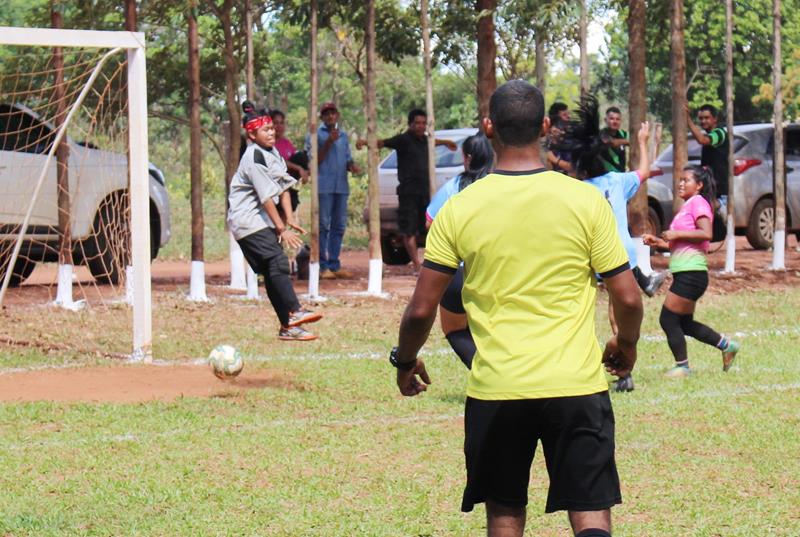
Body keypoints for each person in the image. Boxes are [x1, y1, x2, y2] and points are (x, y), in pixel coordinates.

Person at [390, 80, 643, 537]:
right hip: (576, 385)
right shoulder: (586, 201)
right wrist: (625, 345)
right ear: (545, 127)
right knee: (590, 513)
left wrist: (405, 361)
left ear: (488, 127)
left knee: (504, 513)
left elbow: (421, 310)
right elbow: (627, 296)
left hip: (497, 389)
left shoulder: (460, 207)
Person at [570, 97, 668, 393]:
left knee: (585, 313)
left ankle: (586, 367)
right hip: (624, 253)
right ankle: (644, 277)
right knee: (618, 313)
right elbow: (645, 171)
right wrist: (643, 141)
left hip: (596, 257)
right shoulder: (617, 180)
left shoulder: (577, 189)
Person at [228, 104, 322, 341]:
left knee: (273, 270)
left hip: (257, 219)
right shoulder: (254, 157)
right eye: (265, 130)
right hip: (246, 220)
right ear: (251, 135)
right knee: (277, 261)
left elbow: (283, 188)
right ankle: (294, 311)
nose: (271, 133)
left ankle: (288, 327)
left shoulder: (273, 152)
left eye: (272, 128)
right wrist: (281, 228)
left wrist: (289, 219)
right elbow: (266, 197)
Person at [643, 165, 740, 378]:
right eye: (680, 179)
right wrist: (658, 241)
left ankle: (683, 367)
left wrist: (676, 233)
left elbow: (706, 233)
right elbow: (680, 244)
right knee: (684, 323)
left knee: (668, 319)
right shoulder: (688, 205)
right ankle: (727, 345)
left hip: (691, 273)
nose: (680, 183)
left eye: (686, 180)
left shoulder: (698, 202)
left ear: (699, 185)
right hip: (687, 272)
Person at [423, 133, 494, 369]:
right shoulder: (498, 185)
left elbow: (429, 221)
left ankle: (486, 374)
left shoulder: (453, 187)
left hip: (458, 272)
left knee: (454, 329)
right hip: (496, 270)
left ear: (468, 158)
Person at [356, 108, 457, 273]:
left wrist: (446, 142)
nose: (420, 126)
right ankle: (417, 265)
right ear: (410, 124)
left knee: (426, 227)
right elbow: (382, 143)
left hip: (424, 193)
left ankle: (428, 262)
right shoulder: (403, 140)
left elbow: (434, 141)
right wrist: (365, 142)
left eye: (423, 123)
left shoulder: (425, 140)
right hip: (408, 192)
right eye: (417, 123)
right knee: (408, 229)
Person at [305, 102, 361, 280]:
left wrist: (352, 166)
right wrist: (328, 143)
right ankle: (322, 265)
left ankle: (334, 264)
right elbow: (314, 162)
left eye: (333, 113)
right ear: (322, 117)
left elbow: (347, 159)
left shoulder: (343, 136)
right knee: (323, 225)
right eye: (326, 114)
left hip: (341, 186)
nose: (330, 117)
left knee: (339, 226)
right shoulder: (315, 135)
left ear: (337, 115)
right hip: (324, 186)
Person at [687, 104, 729, 209]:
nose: (703, 121)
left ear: (715, 119)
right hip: (710, 190)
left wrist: (687, 118)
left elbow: (702, 140)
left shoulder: (719, 133)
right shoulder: (710, 135)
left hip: (719, 193)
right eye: (701, 118)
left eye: (706, 118)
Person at [270, 109, 308, 214]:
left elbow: (295, 158)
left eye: (281, 123)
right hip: (274, 186)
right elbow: (278, 161)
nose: (279, 126)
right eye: (276, 123)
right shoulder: (269, 143)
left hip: (288, 185)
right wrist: (299, 168)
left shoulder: (286, 143)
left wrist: (305, 171)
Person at [599, 107, 629, 173]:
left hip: (620, 176)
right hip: (604, 176)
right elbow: (610, 142)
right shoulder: (601, 134)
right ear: (605, 120)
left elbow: (635, 142)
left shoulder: (624, 134)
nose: (615, 122)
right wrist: (626, 141)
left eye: (618, 119)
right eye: (611, 119)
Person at [546, 101, 573, 173]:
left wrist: (554, 160)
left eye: (569, 114)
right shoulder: (545, 143)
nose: (569, 116)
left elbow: (574, 168)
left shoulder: (572, 140)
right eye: (564, 115)